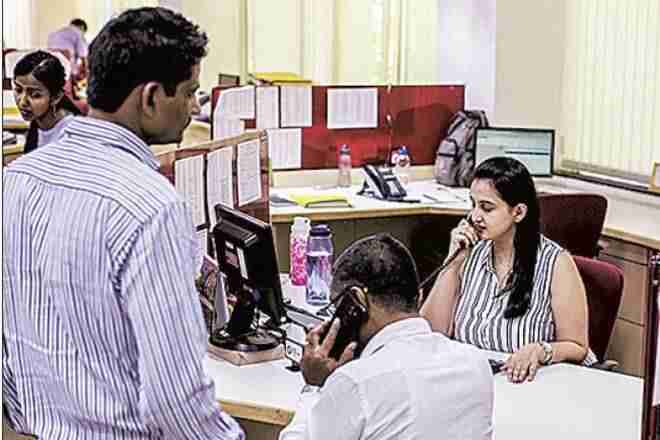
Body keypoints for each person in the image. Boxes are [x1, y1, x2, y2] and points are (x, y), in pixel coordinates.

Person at [3, 7, 243, 439]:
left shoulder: (17, 180)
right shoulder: (152, 207)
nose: (194, 107)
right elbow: (176, 402)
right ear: (150, 98)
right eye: (190, 92)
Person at [279, 234, 493, 440]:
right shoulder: (475, 363)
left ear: (357, 301)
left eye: (337, 308)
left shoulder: (355, 382)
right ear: (418, 297)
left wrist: (315, 387)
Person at [420, 157, 596, 384]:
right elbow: (431, 334)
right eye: (473, 204)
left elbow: (578, 347)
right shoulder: (470, 253)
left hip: (529, 384)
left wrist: (541, 350)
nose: (475, 216)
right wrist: (452, 264)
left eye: (487, 208)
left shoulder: (556, 263)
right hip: (473, 381)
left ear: (519, 212)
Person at [12, 50, 82, 154]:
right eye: (18, 90)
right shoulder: (37, 122)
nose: (22, 102)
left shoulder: (71, 134)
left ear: (56, 97)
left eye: (35, 95)